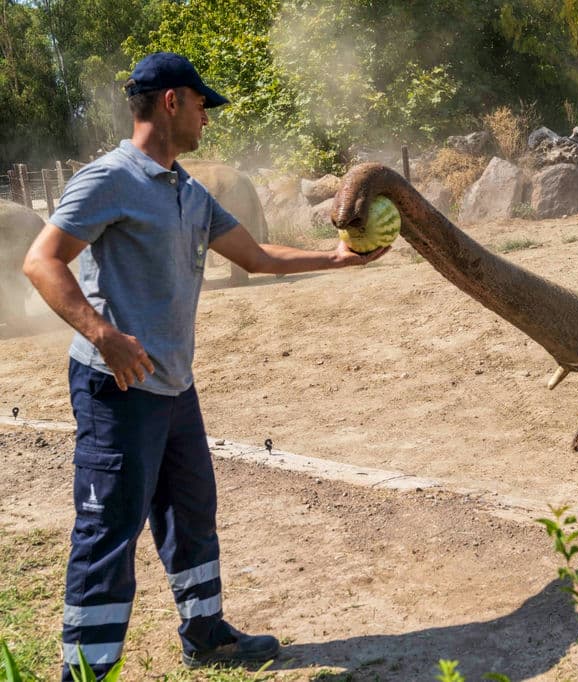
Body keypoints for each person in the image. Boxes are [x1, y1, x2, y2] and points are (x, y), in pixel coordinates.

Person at [22, 52, 387, 680]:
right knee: (109, 532)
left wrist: (336, 259)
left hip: (173, 387)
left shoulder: (187, 190)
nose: (206, 119)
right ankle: (85, 670)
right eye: (201, 105)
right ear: (171, 103)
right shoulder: (108, 179)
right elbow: (42, 260)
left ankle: (207, 635)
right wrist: (102, 333)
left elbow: (256, 256)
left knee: (191, 514)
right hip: (117, 387)